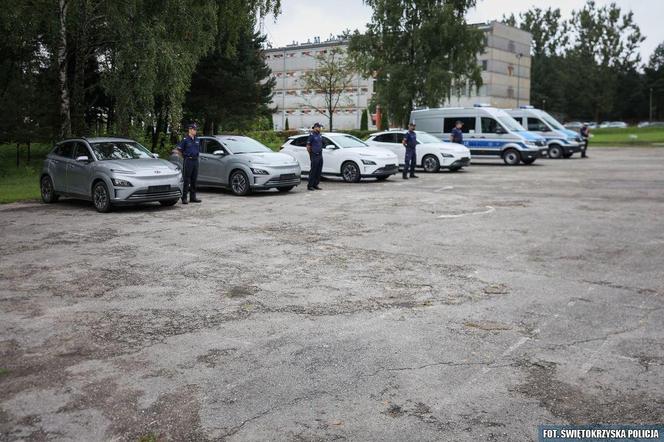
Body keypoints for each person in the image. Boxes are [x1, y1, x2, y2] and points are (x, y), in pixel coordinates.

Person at [176, 123, 202, 204]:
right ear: (190, 130)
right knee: (187, 179)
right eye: (194, 129)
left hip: (195, 160)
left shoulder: (197, 139)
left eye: (196, 129)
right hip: (188, 161)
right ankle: (184, 198)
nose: (195, 131)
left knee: (194, 179)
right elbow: (179, 150)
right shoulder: (185, 140)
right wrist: (184, 157)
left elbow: (198, 150)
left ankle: (193, 197)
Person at [307, 122, 324, 190]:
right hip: (314, 155)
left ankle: (315, 184)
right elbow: (308, 146)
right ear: (316, 127)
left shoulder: (320, 135)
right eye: (319, 127)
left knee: (318, 170)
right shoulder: (311, 135)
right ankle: (310, 185)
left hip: (320, 155)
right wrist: (311, 155)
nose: (320, 128)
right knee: (313, 170)